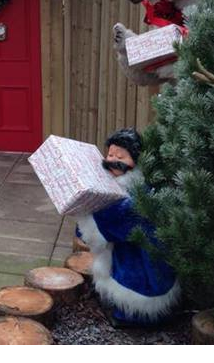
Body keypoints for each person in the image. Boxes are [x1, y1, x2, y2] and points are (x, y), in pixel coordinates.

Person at [76, 128, 180, 326]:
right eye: (110, 154)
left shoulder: (136, 195)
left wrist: (84, 210)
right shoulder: (117, 185)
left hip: (144, 263)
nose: (112, 159)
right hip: (129, 250)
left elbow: (108, 225)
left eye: (120, 156)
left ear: (135, 160)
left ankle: (133, 316)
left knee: (134, 283)